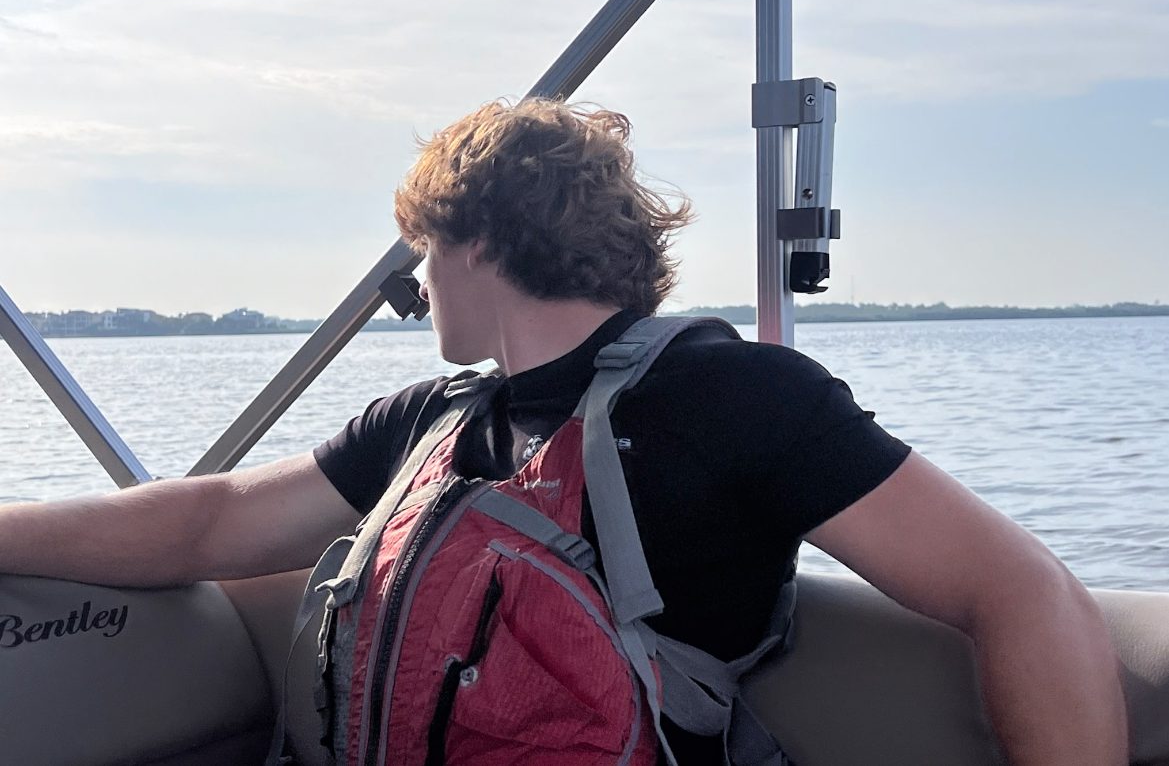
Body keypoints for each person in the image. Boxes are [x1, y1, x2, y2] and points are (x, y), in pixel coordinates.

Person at [0, 98, 1127, 764]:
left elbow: (1020, 589)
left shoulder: (734, 397)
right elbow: (206, 526)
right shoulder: (435, 422)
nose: (418, 289)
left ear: (480, 243)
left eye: (421, 257)